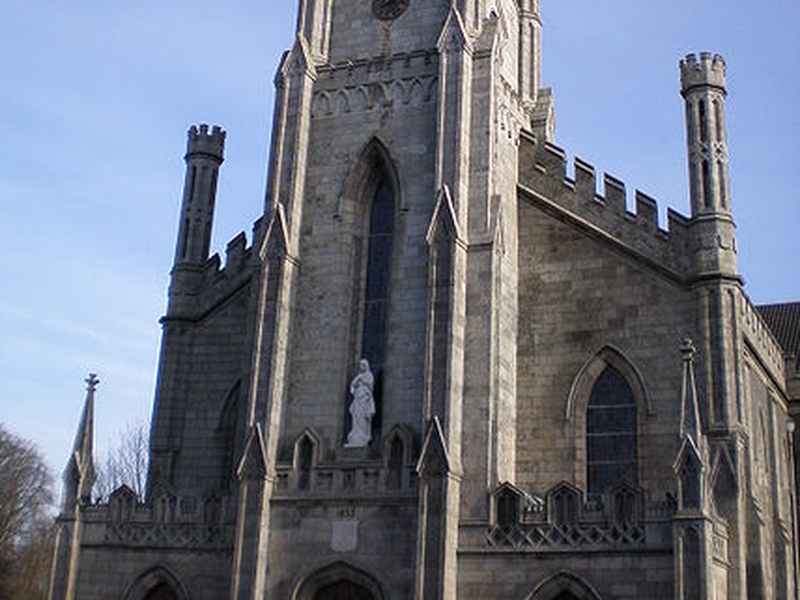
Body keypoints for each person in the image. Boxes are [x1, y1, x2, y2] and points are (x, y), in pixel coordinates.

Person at [346, 359, 375, 447]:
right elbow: (353, 385)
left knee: (362, 418)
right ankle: (355, 435)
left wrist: (362, 381)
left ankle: (363, 436)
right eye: (360, 365)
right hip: (357, 399)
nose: (361, 367)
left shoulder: (369, 375)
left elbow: (370, 386)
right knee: (356, 417)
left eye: (362, 365)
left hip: (364, 399)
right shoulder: (359, 376)